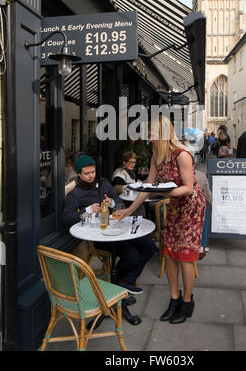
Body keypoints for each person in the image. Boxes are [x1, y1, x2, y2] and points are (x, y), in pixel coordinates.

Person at [115, 115, 206, 324]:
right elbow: (148, 186)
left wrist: (163, 192)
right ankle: (174, 299)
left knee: (184, 255)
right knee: (169, 252)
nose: (149, 140)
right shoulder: (157, 155)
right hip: (175, 204)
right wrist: (129, 210)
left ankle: (187, 301)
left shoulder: (182, 155)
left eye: (151, 135)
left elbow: (189, 188)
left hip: (191, 207)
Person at [63, 154, 156, 295]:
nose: (90, 176)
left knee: (149, 247)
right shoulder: (76, 193)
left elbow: (120, 204)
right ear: (78, 174)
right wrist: (87, 210)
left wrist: (112, 203)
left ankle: (125, 282)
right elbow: (67, 218)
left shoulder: (104, 184)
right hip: (98, 236)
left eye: (92, 172)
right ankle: (119, 285)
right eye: (86, 173)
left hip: (118, 228)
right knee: (132, 255)